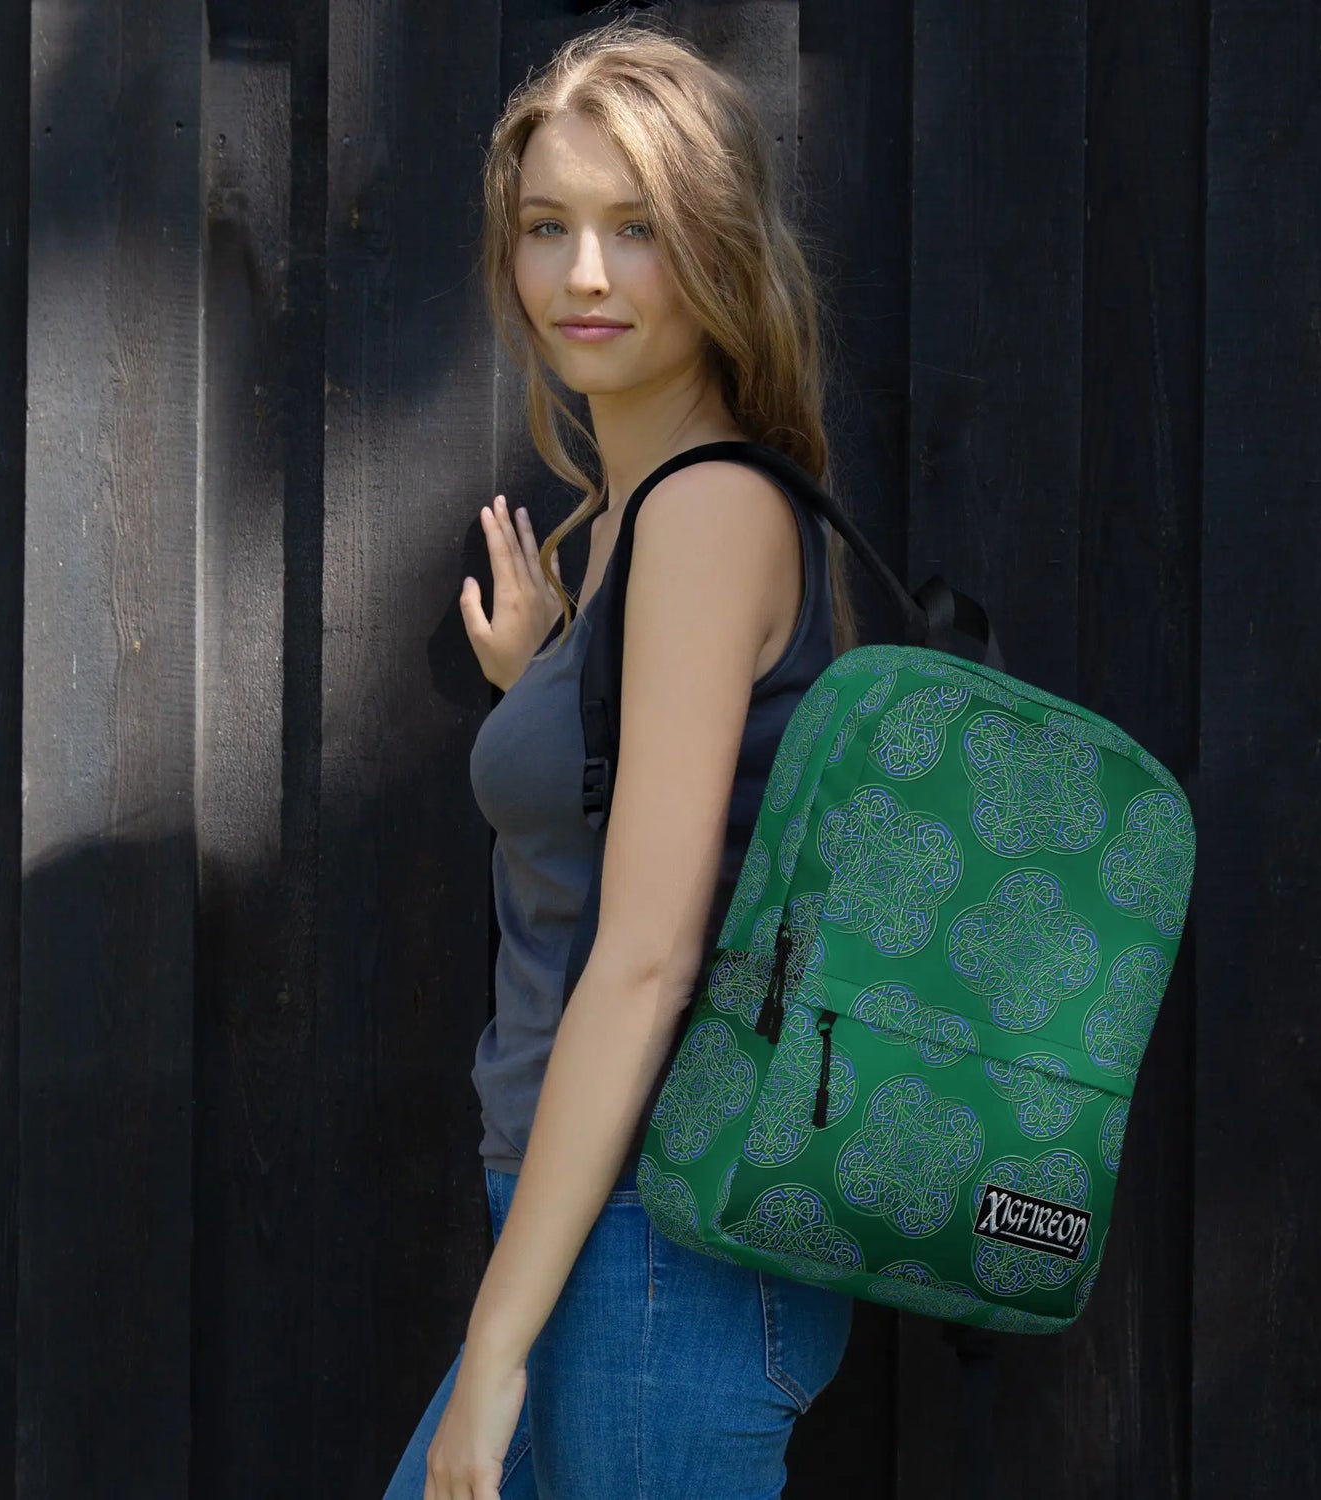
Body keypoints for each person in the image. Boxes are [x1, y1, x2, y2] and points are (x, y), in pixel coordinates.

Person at [381, 17, 860, 1499]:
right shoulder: (638, 526)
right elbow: (653, 840)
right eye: (548, 228)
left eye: (636, 230)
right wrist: (549, 685)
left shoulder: (709, 518)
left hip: (658, 1249)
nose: (582, 276)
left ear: (716, 251)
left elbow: (649, 957)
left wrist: (500, 1346)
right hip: (601, 1232)